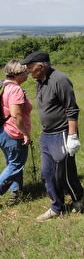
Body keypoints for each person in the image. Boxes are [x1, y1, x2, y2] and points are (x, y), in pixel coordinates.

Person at [21, 51, 84, 221]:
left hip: (62, 133)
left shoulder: (60, 80)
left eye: (30, 68)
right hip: (47, 135)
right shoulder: (40, 81)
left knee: (62, 173)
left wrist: (72, 136)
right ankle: (57, 207)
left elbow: (72, 109)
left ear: (40, 66)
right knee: (47, 173)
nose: (28, 72)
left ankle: (77, 198)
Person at [0, 60, 32, 205]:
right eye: (25, 71)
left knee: (12, 162)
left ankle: (16, 192)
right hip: (14, 132)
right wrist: (25, 133)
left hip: (4, 131)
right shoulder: (15, 90)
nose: (28, 73)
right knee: (15, 164)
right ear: (16, 74)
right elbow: (16, 115)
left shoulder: (5, 86)